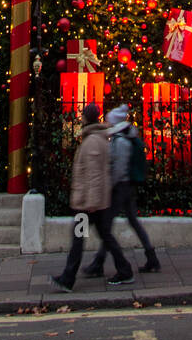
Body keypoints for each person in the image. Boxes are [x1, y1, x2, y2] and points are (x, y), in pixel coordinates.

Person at [51, 101, 134, 291]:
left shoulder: (92, 141)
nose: (81, 118)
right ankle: (125, 269)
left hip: (87, 204)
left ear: (87, 118)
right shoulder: (96, 138)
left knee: (79, 239)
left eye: (83, 115)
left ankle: (68, 277)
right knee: (104, 236)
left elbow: (94, 176)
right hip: (93, 202)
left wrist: (91, 202)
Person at [84, 104, 160, 276]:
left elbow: (118, 168)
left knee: (106, 226)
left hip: (120, 187)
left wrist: (110, 186)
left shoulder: (121, 141)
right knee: (131, 221)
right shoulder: (126, 136)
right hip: (127, 186)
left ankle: (99, 263)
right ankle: (151, 256)